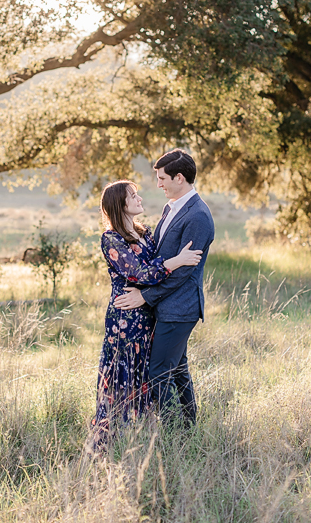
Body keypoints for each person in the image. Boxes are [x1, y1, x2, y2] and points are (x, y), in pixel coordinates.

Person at [90, 180, 202, 447]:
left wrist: (165, 267)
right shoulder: (111, 239)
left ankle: (146, 437)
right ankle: (117, 438)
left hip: (149, 314)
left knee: (147, 374)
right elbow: (138, 273)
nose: (139, 199)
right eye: (133, 195)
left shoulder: (145, 232)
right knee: (124, 374)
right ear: (121, 204)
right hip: (126, 319)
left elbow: (152, 266)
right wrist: (177, 261)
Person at [114, 149, 215, 426]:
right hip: (167, 307)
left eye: (162, 179)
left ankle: (172, 432)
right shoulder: (171, 207)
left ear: (179, 178)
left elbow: (183, 272)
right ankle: (189, 426)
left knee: (158, 370)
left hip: (180, 308)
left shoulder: (198, 216)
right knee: (178, 369)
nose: (158, 184)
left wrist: (144, 296)